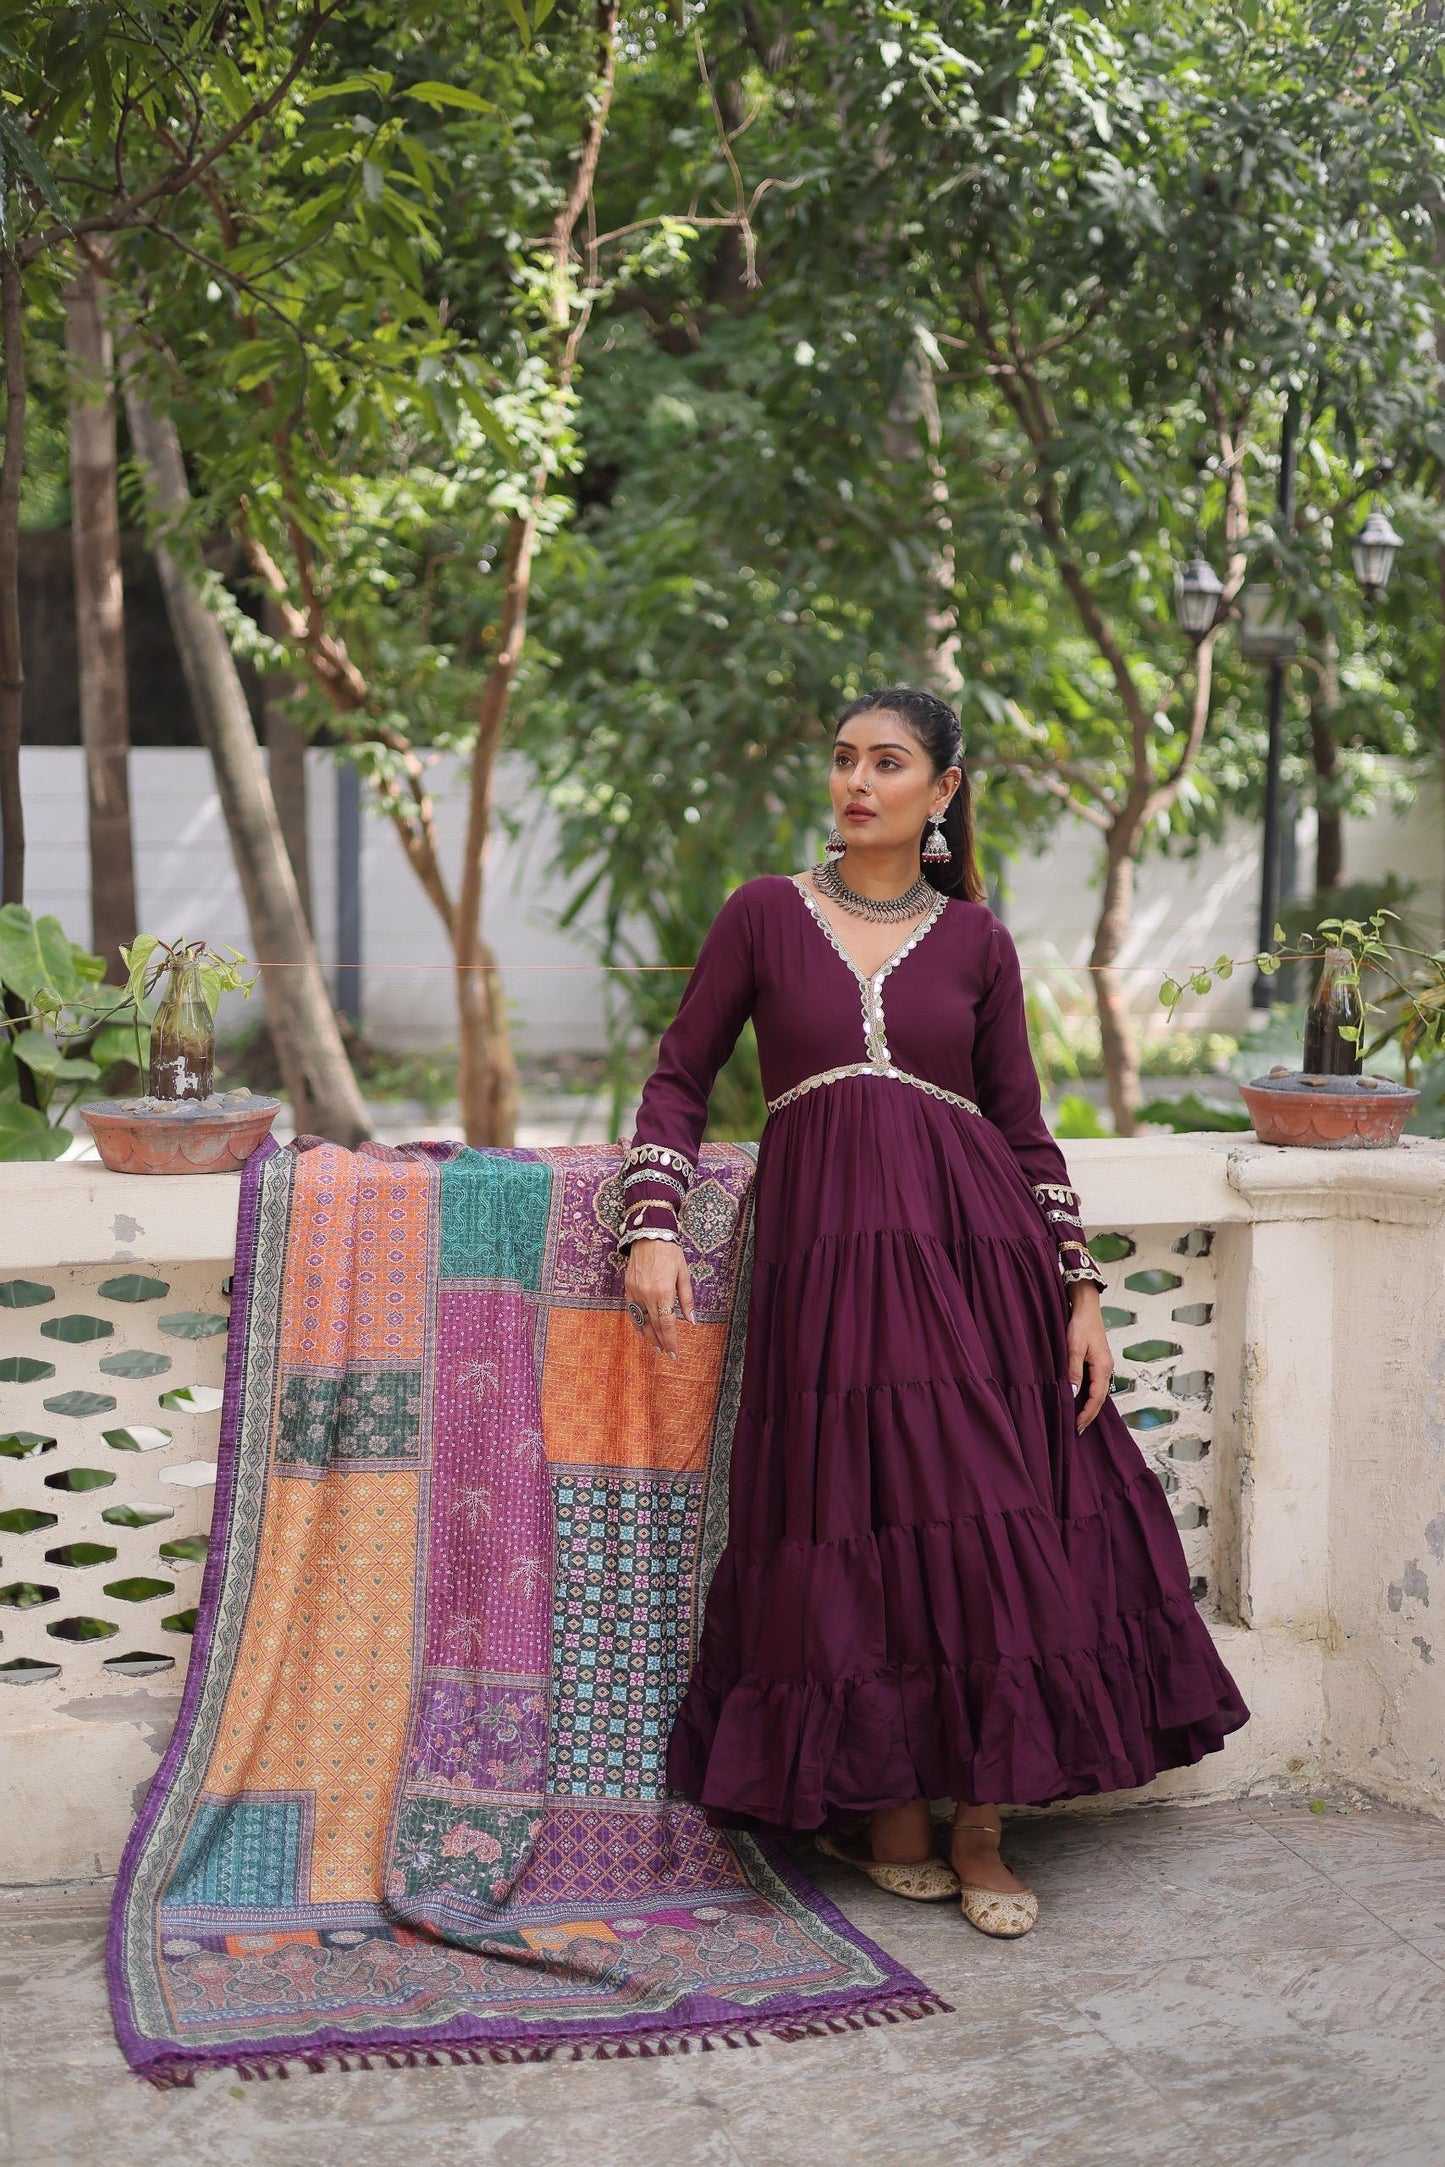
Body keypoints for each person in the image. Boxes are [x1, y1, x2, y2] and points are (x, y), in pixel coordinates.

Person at [621, 687, 1248, 1938]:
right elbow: (679, 1077)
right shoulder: (762, 914)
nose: (857, 781)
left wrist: (1078, 1289)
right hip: (822, 1276)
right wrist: (649, 1222)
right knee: (853, 1522)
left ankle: (979, 1826)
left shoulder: (975, 942)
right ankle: (892, 1809)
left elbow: (1020, 1125)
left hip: (978, 1268)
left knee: (986, 1519)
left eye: (888, 762)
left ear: (942, 790)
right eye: (843, 758)